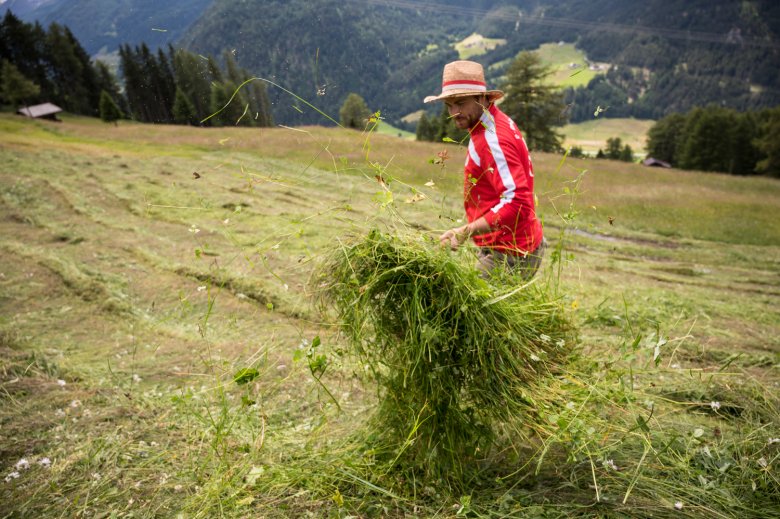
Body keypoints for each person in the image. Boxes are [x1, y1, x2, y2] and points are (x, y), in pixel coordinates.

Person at [424, 60, 545, 279]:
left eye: (460, 103)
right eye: (449, 105)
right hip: (506, 245)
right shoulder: (490, 123)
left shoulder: (492, 139)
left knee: (455, 310)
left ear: (482, 98)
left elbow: (518, 202)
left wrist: (464, 231)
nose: (454, 112)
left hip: (511, 253)